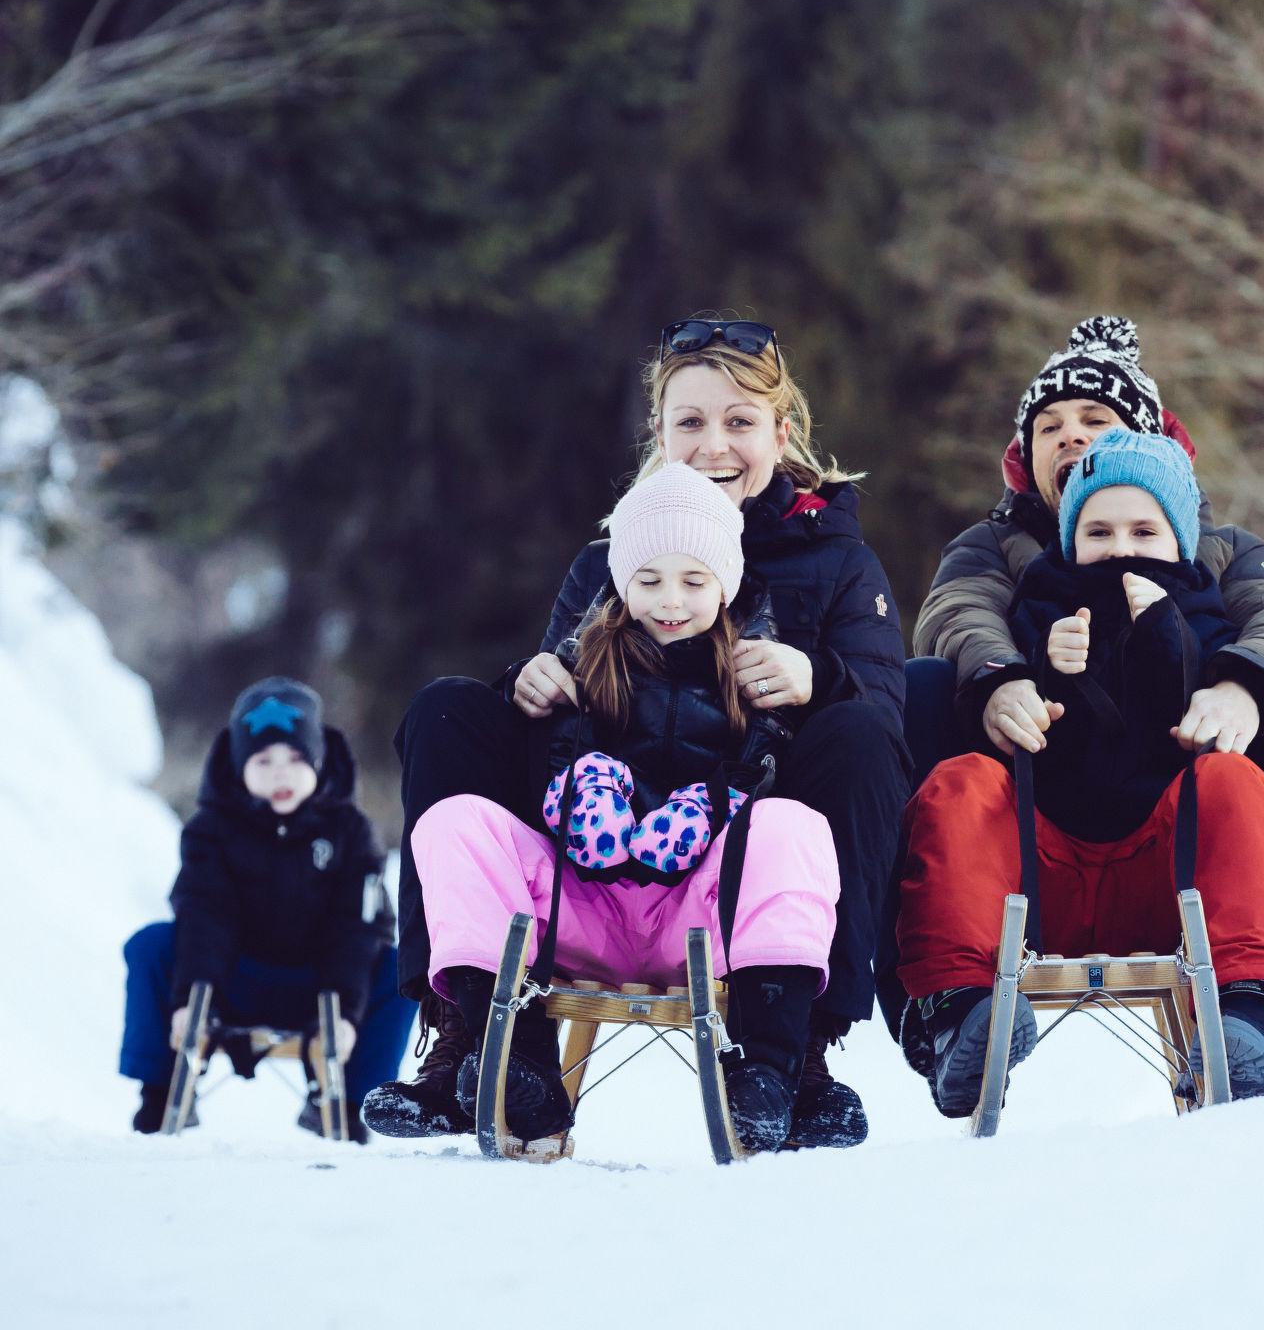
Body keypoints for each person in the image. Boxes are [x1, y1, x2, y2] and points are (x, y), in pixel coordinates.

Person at [367, 319, 908, 1147]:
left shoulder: (835, 561)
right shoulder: (609, 560)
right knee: (447, 708)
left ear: (781, 433)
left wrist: (820, 678)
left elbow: (889, 707)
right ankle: (474, 1037)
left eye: (739, 422)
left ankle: (796, 1052)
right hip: (594, 847)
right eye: (690, 421)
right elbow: (562, 703)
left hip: (743, 844)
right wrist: (528, 683)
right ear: (659, 434)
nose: (714, 444)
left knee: (864, 737)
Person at [910, 315, 1264, 1083]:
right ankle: (944, 1003)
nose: (1071, 437)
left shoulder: (1216, 548)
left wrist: (1241, 688)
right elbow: (956, 614)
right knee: (924, 689)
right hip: (1038, 816)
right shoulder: (997, 550)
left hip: (1177, 821)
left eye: (1096, 420)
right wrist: (1005, 677)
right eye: (1049, 426)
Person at [410, 461, 841, 1151]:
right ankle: (521, 1063)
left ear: (726, 585)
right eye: (649, 580)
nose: (670, 600)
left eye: (694, 581)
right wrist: (583, 783)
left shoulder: (754, 666)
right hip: (584, 907)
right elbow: (543, 766)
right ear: (619, 581)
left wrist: (715, 801)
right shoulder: (585, 657)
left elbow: (768, 769)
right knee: (455, 822)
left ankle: (766, 1072)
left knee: (793, 829)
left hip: (698, 915)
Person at [898, 431, 1264, 1110]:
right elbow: (1002, 664)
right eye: (1099, 530)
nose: (1121, 547)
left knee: (1235, 784)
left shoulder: (1204, 603)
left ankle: (1248, 1012)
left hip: (1166, 876)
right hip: (1040, 872)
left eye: (1144, 530)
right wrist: (1036, 668)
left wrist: (1174, 638)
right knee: (963, 784)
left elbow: (1206, 688)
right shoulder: (1041, 593)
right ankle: (960, 1011)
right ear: (1070, 538)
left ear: (1179, 540)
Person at [121, 677, 408, 1142]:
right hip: (235, 980)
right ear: (238, 767)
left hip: (320, 987)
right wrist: (187, 999)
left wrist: (346, 1013)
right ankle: (161, 1089)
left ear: (317, 759)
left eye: (295, 759)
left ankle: (349, 1102)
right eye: (263, 760)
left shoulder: (350, 833)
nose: (281, 773)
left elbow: (359, 926)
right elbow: (203, 914)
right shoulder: (211, 830)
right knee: (151, 944)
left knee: (397, 968)